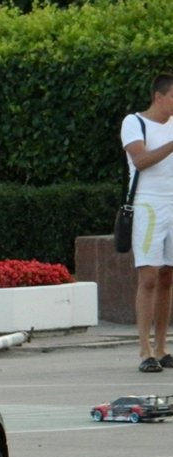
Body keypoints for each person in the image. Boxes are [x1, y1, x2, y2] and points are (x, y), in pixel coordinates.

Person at [122, 73, 173, 373]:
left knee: (168, 275)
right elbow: (140, 161)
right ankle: (144, 350)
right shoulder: (134, 122)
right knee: (150, 276)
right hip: (148, 204)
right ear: (159, 97)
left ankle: (163, 347)